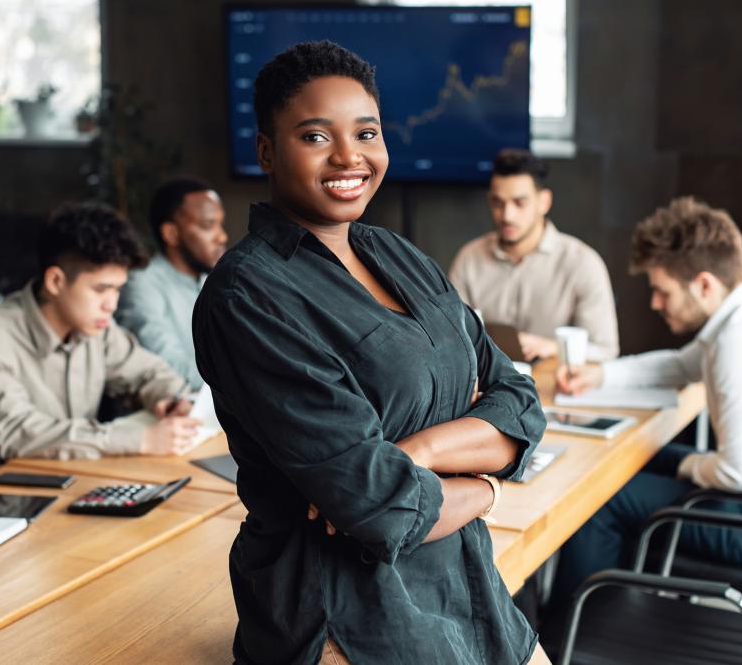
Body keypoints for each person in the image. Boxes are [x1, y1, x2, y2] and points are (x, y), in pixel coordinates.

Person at [193, 41, 550, 665]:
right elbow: (374, 506)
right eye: (314, 136)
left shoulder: (400, 255)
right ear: (267, 151)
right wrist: (487, 489)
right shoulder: (247, 293)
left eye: (366, 132)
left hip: (466, 587)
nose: (348, 156)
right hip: (344, 616)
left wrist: (422, 452)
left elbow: (518, 403)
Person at [550, 197, 742, 603]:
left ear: (704, 284)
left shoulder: (740, 344)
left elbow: (739, 473)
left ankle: (572, 637)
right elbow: (675, 366)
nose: (655, 303)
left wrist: (689, 465)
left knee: (598, 500)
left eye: (662, 291)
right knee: (649, 453)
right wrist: (598, 375)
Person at [0, 202, 199, 470]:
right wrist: (140, 439)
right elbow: (16, 433)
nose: (111, 304)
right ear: (55, 282)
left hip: (71, 478)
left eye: (117, 290)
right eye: (101, 290)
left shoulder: (98, 328)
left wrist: (171, 399)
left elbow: (148, 373)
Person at [449, 149, 619, 361]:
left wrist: (554, 347)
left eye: (520, 203)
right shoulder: (469, 259)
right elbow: (451, 338)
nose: (507, 215)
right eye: (497, 203)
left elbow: (605, 350)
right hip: (487, 385)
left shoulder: (583, 263)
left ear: (544, 202)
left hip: (554, 387)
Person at [116, 177, 228, 389]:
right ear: (171, 233)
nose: (222, 236)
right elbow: (166, 366)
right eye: (208, 225)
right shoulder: (142, 284)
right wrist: (242, 381)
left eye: (220, 224)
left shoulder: (213, 280)